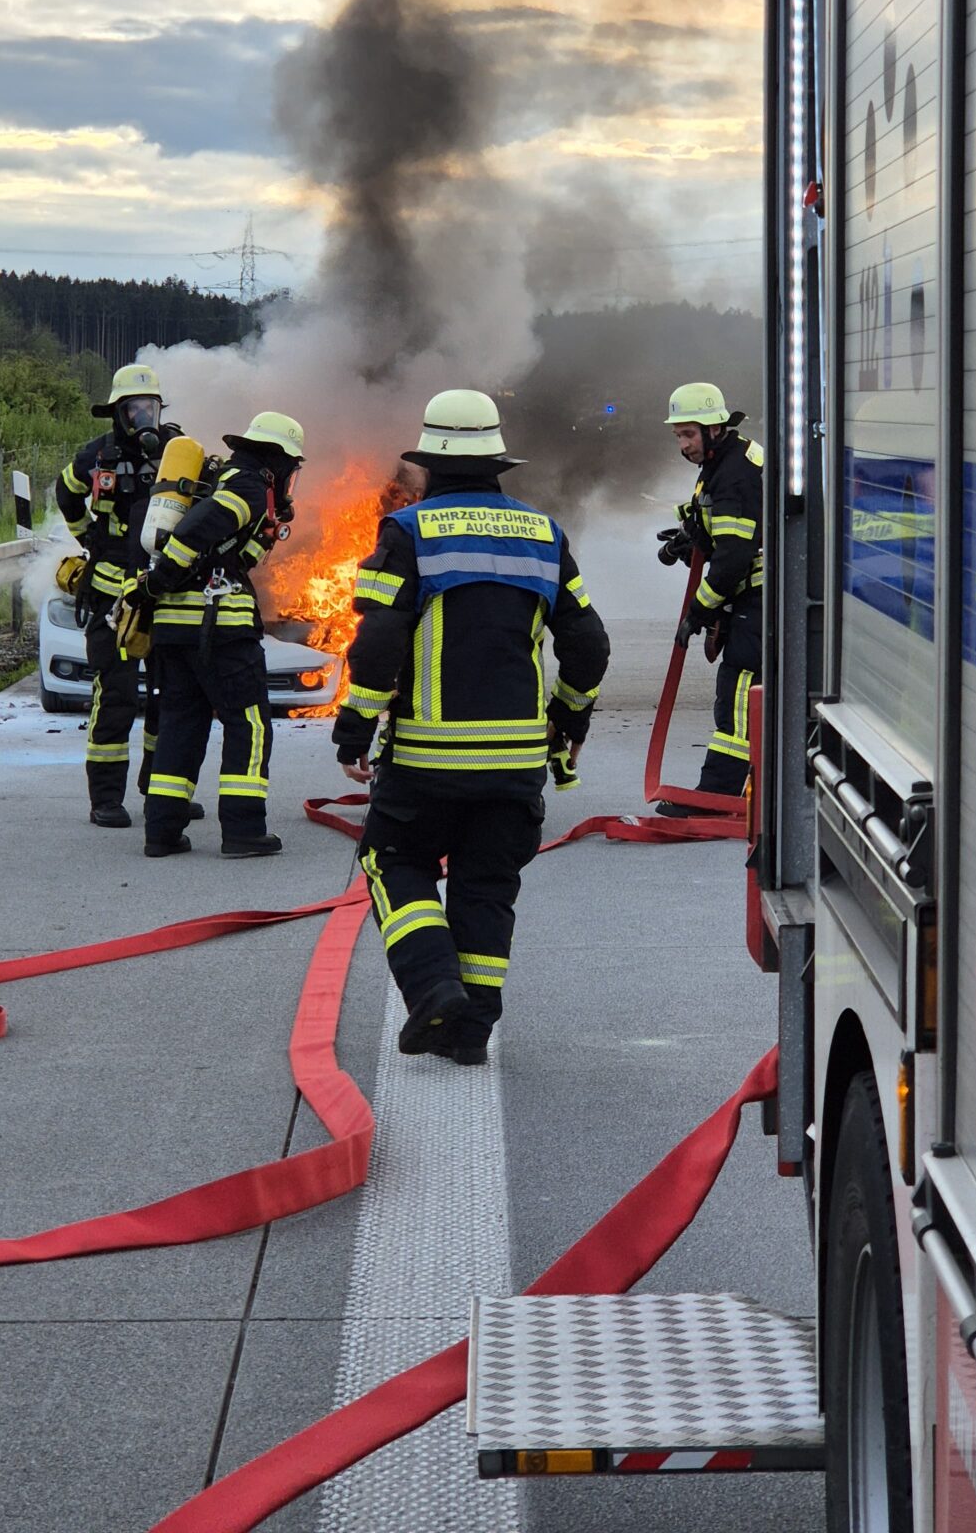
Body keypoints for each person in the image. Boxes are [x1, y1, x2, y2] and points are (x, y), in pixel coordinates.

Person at [332, 389, 610, 1065]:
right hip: (515, 764)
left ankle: (433, 990)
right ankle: (472, 1029)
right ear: (495, 465)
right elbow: (590, 645)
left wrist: (355, 726)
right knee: (488, 884)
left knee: (394, 859)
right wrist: (569, 718)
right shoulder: (545, 535)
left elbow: (378, 644)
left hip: (427, 760)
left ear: (428, 466)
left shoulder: (408, 532)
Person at [118, 412, 305, 861]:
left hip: (177, 632)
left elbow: (236, 560)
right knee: (250, 725)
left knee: (182, 724)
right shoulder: (245, 485)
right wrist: (158, 580)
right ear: (277, 460)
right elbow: (195, 533)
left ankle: (161, 832)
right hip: (218, 630)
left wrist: (271, 530)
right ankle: (243, 830)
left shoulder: (231, 483)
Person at [55, 362, 189, 829]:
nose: (142, 417)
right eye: (133, 409)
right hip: (113, 600)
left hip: (164, 596)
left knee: (169, 697)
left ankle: (161, 789)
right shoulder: (96, 456)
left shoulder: (178, 452)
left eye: (149, 407)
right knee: (114, 698)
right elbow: (65, 492)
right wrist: (87, 537)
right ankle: (106, 799)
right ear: (116, 412)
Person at [656, 381, 763, 813]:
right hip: (754, 599)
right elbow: (717, 525)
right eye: (678, 436)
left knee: (737, 694)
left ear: (714, 428)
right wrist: (686, 540)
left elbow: (735, 557)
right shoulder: (726, 462)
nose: (682, 445)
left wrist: (698, 611)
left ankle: (718, 796)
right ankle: (741, 790)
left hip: (758, 599)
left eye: (688, 435)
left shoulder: (733, 472)